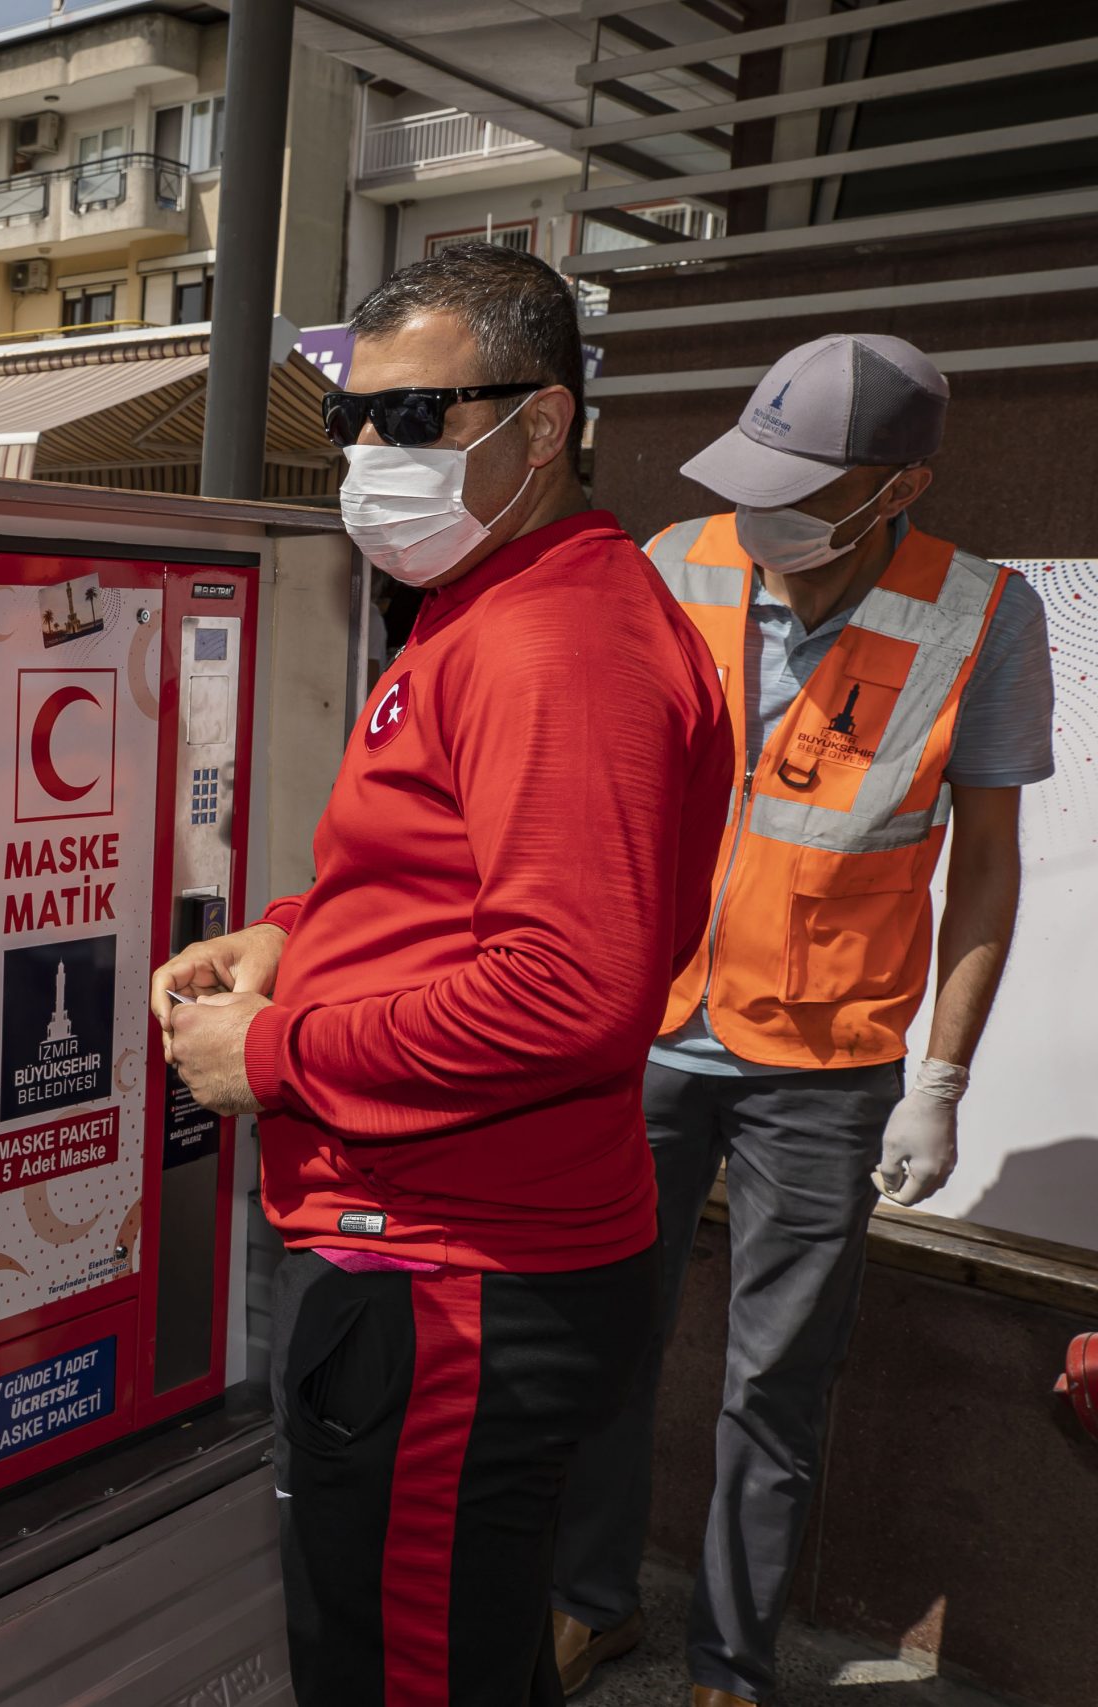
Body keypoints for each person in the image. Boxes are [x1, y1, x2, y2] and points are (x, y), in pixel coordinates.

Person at [149, 244, 734, 1707]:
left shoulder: (555, 639)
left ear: (543, 425)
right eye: (352, 418)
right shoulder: (494, 602)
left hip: (452, 1272)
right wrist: (295, 925)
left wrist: (273, 1054)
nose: (365, 454)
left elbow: (567, 991)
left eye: (412, 420)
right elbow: (450, 875)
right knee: (449, 1652)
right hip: (433, 1248)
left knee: (403, 1673)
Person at [551, 335, 1053, 1707]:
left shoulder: (982, 614)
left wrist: (941, 1072)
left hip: (827, 1062)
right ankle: (594, 1602)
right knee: (601, 1336)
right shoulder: (675, 561)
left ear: (900, 486)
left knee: (775, 1382)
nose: (763, 514)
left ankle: (729, 1661)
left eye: (806, 487)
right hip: (643, 1026)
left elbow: (990, 862)